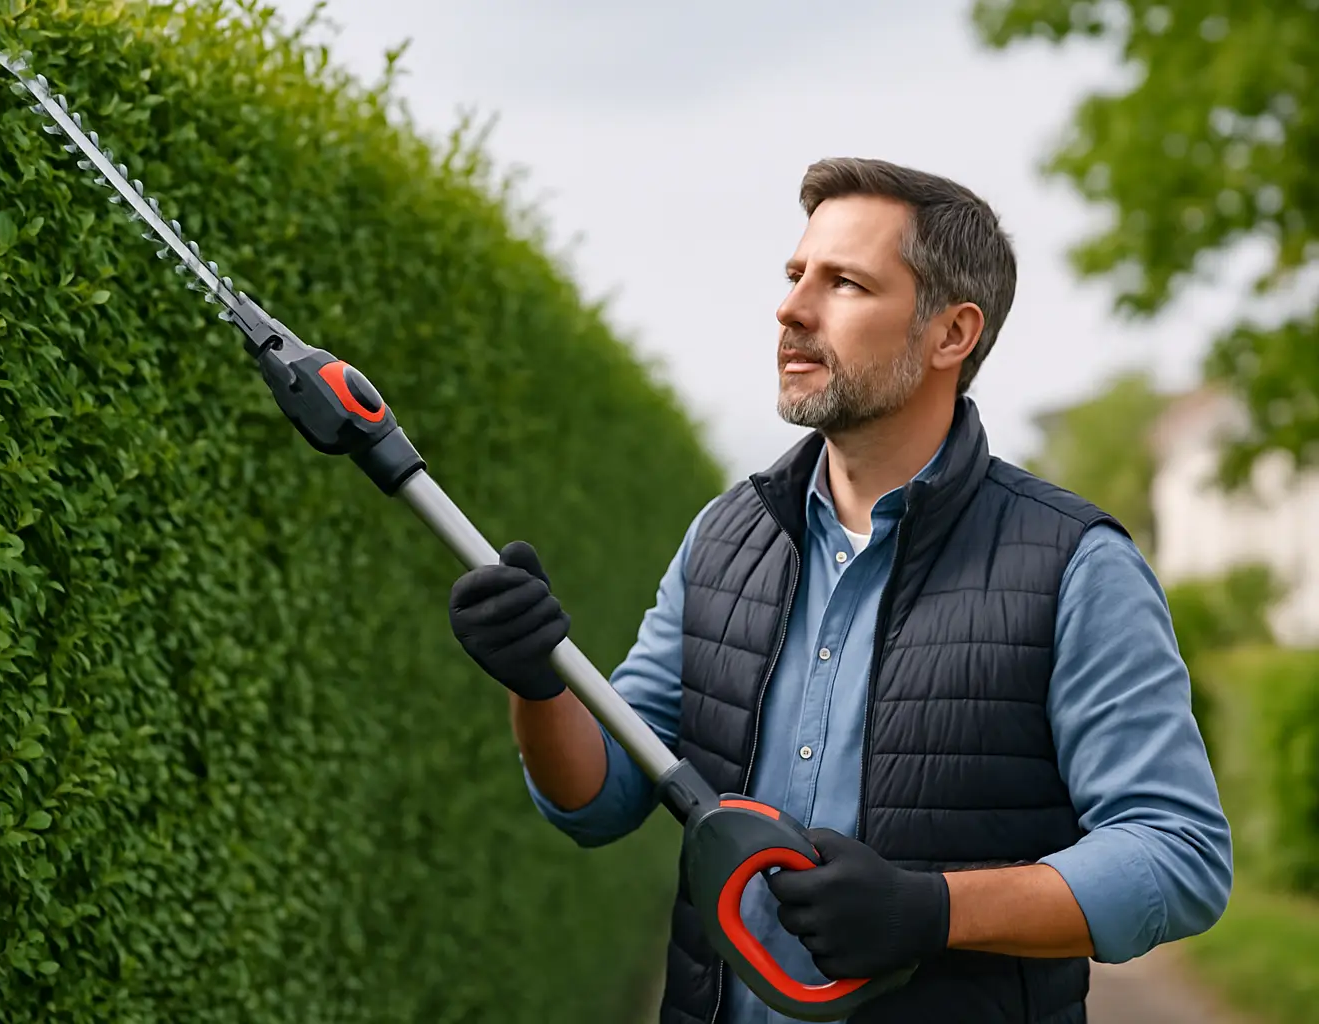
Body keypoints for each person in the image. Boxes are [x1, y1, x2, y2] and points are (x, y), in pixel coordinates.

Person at [446, 156, 1233, 1024]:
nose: (791, 308)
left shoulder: (1077, 565)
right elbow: (598, 798)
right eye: (795, 276)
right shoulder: (723, 539)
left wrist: (932, 913)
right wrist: (538, 683)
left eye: (846, 283)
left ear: (950, 335)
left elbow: (1177, 855)